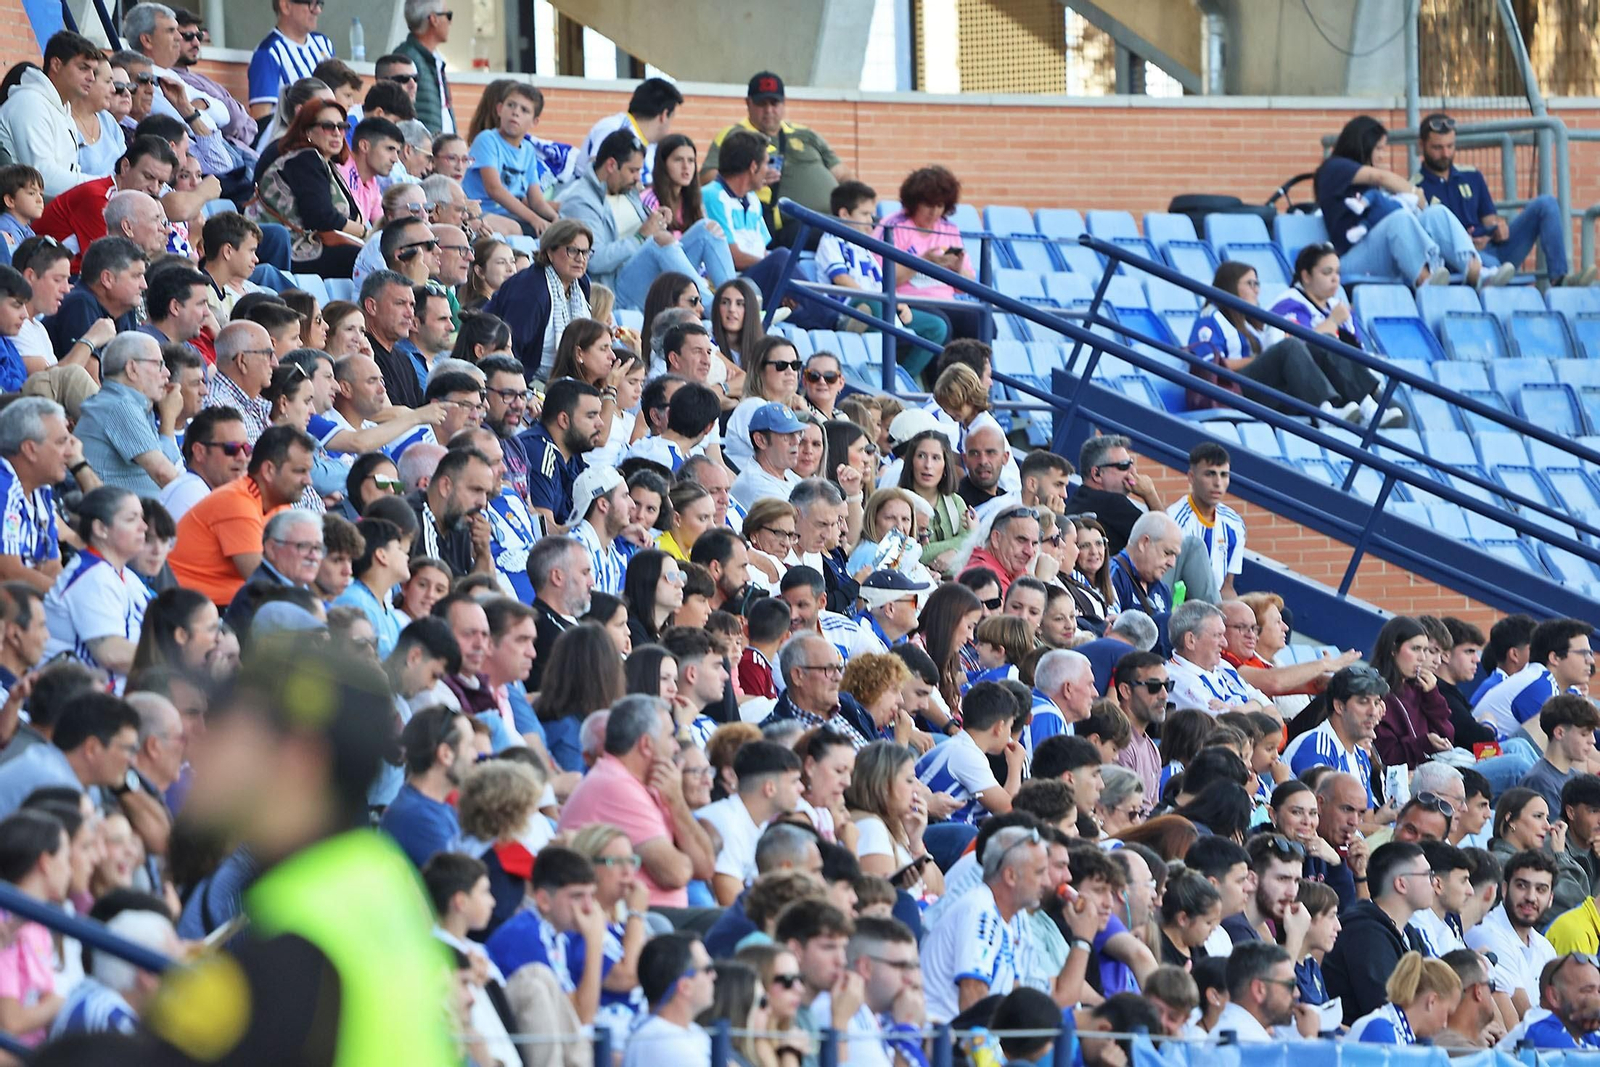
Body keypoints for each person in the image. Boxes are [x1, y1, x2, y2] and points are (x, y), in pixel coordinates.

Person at [557, 695, 715, 909]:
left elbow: (705, 866)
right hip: (638, 918)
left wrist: (677, 801)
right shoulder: (614, 784)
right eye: (670, 736)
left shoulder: (655, 781)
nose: (677, 747)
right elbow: (677, 873)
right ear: (646, 745)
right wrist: (684, 858)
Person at [555, 128, 732, 313]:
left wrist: (656, 219)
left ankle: (734, 297)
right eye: (633, 170)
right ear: (611, 165)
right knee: (660, 240)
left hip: (650, 275)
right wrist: (641, 236)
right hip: (617, 289)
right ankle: (717, 309)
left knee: (707, 229)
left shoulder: (627, 190)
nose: (638, 177)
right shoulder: (582, 201)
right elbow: (595, 260)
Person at [1316, 114, 1502, 288]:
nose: (1382, 155)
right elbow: (1380, 177)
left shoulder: (1360, 176)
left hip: (1384, 250)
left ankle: (1477, 272)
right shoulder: (1334, 168)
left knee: (1436, 213)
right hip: (1352, 258)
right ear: (1362, 145)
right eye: (1379, 148)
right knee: (1399, 219)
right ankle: (1427, 282)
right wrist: (1414, 192)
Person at [1416, 112, 1593, 286]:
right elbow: (1426, 246)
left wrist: (1498, 228)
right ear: (1422, 146)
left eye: (1450, 146)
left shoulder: (1471, 174)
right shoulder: (1415, 189)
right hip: (1461, 261)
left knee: (1546, 204)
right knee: (1494, 267)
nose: (1446, 153)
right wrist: (1464, 245)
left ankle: (1560, 279)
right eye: (1437, 148)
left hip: (1494, 249)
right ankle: (1499, 278)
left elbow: (1490, 220)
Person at [167, 424, 315, 605]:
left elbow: (298, 572)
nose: (309, 481)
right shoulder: (236, 501)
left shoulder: (279, 506)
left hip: (224, 608)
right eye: (300, 471)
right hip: (187, 610)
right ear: (269, 470)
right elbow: (263, 584)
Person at [40, 486, 150, 689]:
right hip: (74, 703)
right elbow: (112, 654)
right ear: (101, 529)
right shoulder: (92, 578)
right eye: (131, 519)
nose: (143, 527)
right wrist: (176, 661)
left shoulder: (124, 576)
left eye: (141, 518)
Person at [1323, 841, 1432, 1023]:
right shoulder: (1364, 934)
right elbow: (1385, 1007)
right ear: (1401, 884)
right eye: (1428, 874)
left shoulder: (1410, 935)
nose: (1434, 882)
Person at [0, 30, 103, 199]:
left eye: (94, 71)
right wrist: (102, 184)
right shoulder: (29, 103)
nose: (91, 77)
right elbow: (42, 178)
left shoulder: (60, 107)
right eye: (84, 68)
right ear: (56, 65)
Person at [1474, 617, 1596, 748]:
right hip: (1484, 757)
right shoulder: (1539, 685)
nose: (1591, 661)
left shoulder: (1545, 681)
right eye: (1583, 653)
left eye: (1590, 653)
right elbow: (1562, 752)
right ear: (1554, 658)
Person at [1466, 849, 1558, 1018]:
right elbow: (1525, 1014)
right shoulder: (1488, 933)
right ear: (1504, 889)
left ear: (1551, 898)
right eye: (1522, 886)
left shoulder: (1545, 947)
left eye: (1541, 889)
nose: (1531, 897)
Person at [377, 706, 470, 868]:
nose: (476, 755)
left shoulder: (436, 809)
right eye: (470, 746)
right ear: (445, 754)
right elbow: (461, 890)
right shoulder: (420, 819)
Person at [1282, 665, 1387, 805]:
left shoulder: (1361, 756)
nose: (1373, 712)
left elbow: (1363, 820)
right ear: (1339, 706)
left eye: (1376, 703)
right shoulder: (1315, 746)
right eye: (1363, 702)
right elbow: (1325, 819)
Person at [42, 236, 147, 358]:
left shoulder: (125, 307)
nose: (144, 285)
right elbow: (90, 375)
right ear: (107, 279)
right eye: (136, 276)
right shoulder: (79, 305)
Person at [570, 76, 683, 189]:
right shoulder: (614, 128)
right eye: (672, 118)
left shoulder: (654, 146)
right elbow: (598, 177)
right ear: (664, 115)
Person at [1164, 442, 1246, 597]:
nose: (1218, 483)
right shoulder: (1175, 519)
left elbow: (1227, 587)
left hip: (1217, 607)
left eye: (1224, 475)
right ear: (1191, 477)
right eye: (1210, 474)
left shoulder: (1234, 524)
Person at [623, 934, 715, 1067]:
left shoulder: (691, 1031)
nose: (714, 975)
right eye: (708, 969)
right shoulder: (662, 1042)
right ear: (685, 986)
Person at [1166, 601, 1271, 715]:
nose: (1225, 643)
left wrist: (1237, 710)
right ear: (1191, 640)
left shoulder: (1222, 665)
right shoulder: (1178, 681)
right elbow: (1228, 726)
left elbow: (1268, 705)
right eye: (1217, 635)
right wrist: (1255, 705)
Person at [1066, 435, 1162, 556]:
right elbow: (1166, 541)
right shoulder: (1113, 503)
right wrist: (1150, 494)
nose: (1133, 471)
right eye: (1124, 465)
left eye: (1131, 463)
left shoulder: (1077, 498)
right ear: (1097, 474)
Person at [1108, 511, 1182, 653]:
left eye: (1175, 556)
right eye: (1167, 553)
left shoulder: (1162, 589)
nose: (1172, 563)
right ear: (1144, 543)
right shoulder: (1112, 576)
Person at [390, 0, 454, 137]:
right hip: (420, 150)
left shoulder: (435, 60)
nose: (450, 22)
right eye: (448, 15)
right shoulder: (406, 58)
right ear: (434, 19)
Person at [731, 402, 806, 510]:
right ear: (760, 440)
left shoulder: (787, 474)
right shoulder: (757, 486)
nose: (796, 441)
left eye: (799, 433)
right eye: (786, 435)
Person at [1519, 953, 1600, 1049]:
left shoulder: (1581, 1028)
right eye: (1587, 991)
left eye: (1599, 991)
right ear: (1554, 996)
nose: (1597, 999)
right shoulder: (1539, 1031)